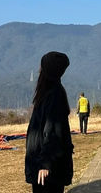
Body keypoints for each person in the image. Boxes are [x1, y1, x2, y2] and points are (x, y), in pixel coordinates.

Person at [25, 51, 73, 193]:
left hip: (48, 168)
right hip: (41, 163)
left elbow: (53, 132)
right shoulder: (48, 93)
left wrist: (45, 163)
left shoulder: (54, 95)